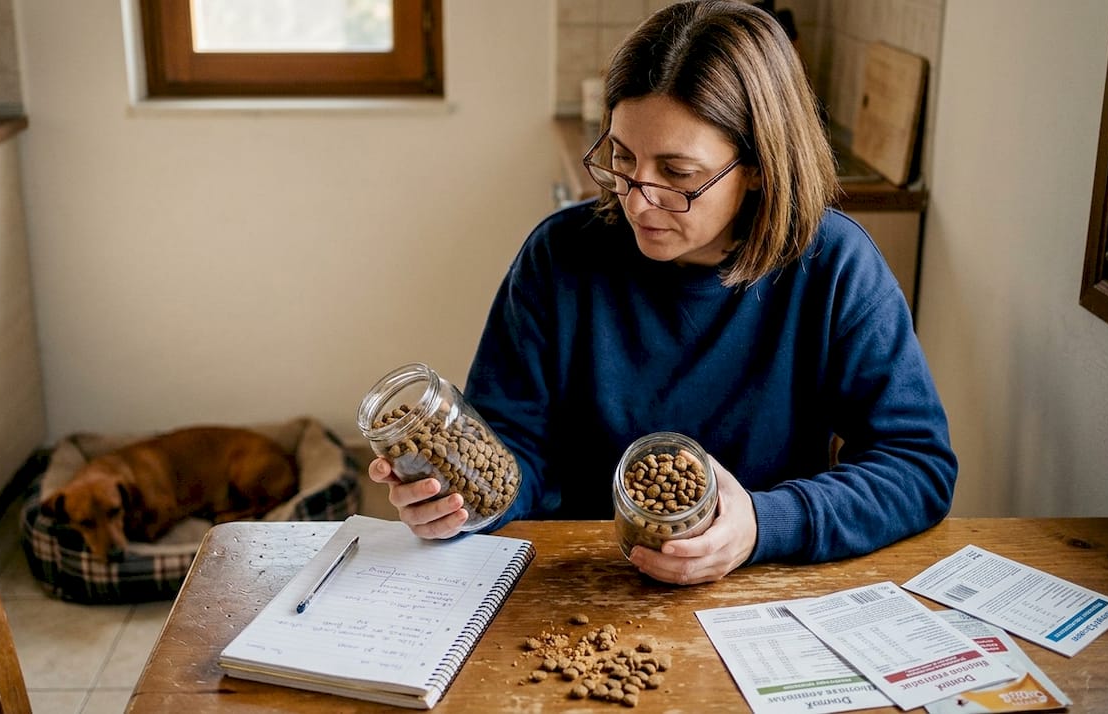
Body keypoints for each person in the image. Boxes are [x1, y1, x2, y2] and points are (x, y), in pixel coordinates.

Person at [368, 0, 957, 585]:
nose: (638, 200)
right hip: (581, 582)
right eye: (623, 158)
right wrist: (463, 499)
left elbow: (916, 465)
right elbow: (516, 450)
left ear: (756, 166)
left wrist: (761, 522)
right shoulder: (559, 258)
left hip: (766, 586)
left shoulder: (833, 265)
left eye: (678, 174)